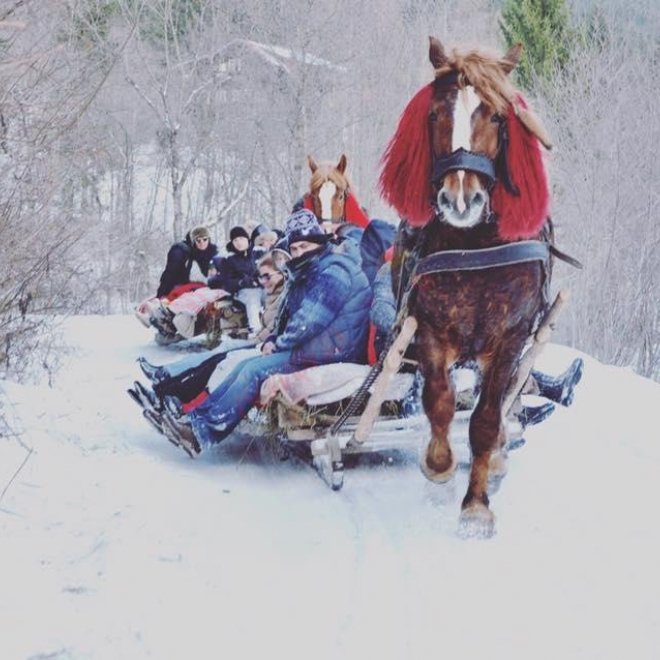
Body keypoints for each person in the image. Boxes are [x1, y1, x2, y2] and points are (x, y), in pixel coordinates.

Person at [159, 209, 372, 457]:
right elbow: (293, 315)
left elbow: (308, 321)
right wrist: (273, 338)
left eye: (304, 246)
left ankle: (201, 432)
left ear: (319, 243)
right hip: (320, 344)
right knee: (245, 364)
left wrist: (278, 344)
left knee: (253, 370)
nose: (299, 253)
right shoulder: (314, 268)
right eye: (294, 249)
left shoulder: (334, 272)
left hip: (334, 351)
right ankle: (195, 420)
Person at [368, 260, 584, 428]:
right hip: (404, 350)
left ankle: (538, 396)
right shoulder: (391, 272)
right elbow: (380, 311)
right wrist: (414, 331)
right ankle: (517, 411)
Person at [211, 226, 262, 336]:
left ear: (247, 239)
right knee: (252, 299)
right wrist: (241, 282)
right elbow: (227, 283)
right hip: (242, 293)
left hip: (262, 288)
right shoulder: (229, 259)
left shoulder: (258, 253)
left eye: (241, 239)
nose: (239, 242)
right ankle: (256, 332)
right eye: (235, 240)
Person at [156, 225, 218, 298]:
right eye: (198, 240)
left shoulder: (211, 253)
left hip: (204, 288)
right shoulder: (180, 252)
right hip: (179, 287)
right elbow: (170, 273)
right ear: (193, 241)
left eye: (205, 239)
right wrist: (162, 294)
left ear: (209, 239)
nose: (202, 243)